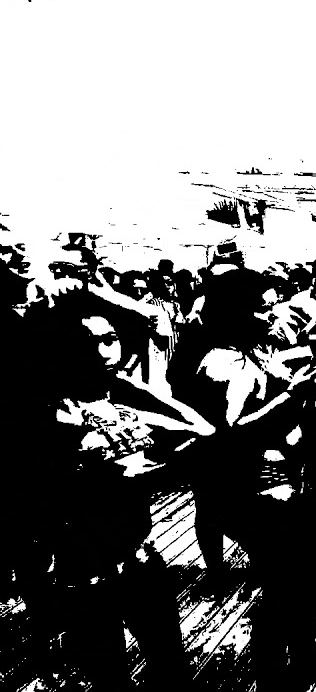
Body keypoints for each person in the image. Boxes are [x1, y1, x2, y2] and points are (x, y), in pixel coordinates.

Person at [21, 289, 215, 691]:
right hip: (83, 572)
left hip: (140, 558)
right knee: (110, 678)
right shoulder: (45, 409)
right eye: (84, 345)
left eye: (109, 339)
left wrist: (141, 426)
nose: (101, 353)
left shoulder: (120, 393)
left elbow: (201, 429)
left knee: (171, 665)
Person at [181, 268, 316, 691]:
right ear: (234, 313)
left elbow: (272, 382)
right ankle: (277, 673)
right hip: (249, 491)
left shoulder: (251, 352)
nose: (273, 313)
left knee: (310, 561)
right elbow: (235, 433)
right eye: (263, 308)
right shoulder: (222, 364)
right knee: (287, 580)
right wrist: (295, 395)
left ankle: (302, 657)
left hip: (272, 485)